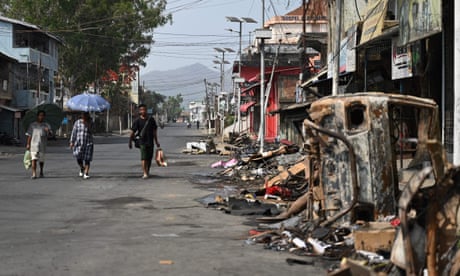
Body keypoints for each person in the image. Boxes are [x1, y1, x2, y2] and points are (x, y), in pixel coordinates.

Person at [129, 104, 160, 179]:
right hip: (142, 142)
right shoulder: (137, 121)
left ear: (146, 110)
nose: (143, 111)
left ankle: (147, 170)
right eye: (142, 110)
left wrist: (156, 142)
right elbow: (132, 132)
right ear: (140, 111)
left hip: (150, 142)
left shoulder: (151, 120)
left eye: (144, 109)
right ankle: (145, 173)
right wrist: (130, 142)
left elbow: (154, 132)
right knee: (143, 158)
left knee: (149, 158)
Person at [26, 110, 52, 179]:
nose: (41, 117)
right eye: (40, 115)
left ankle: (41, 171)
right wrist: (28, 144)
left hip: (42, 145)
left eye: (42, 115)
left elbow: (51, 135)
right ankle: (34, 173)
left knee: (41, 160)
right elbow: (29, 135)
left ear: (44, 117)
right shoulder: (32, 125)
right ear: (37, 116)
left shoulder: (46, 125)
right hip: (34, 145)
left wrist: (48, 131)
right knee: (34, 159)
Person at [70, 112, 94, 180]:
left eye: (86, 114)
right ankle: (82, 167)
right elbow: (74, 132)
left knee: (87, 159)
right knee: (78, 156)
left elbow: (92, 131)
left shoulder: (91, 122)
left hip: (88, 143)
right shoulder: (77, 122)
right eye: (83, 114)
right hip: (79, 143)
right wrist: (72, 141)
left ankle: (86, 173)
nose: (84, 116)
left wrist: (87, 124)